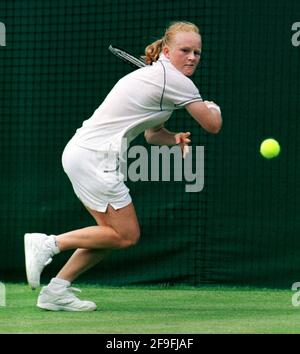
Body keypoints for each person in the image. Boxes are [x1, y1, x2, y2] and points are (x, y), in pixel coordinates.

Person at [24, 21, 222, 312]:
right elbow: (212, 124)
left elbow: (153, 135)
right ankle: (49, 244)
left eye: (197, 52)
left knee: (110, 234)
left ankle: (55, 291)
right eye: (185, 50)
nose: (192, 57)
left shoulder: (161, 78)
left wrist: (174, 137)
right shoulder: (177, 82)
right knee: (126, 235)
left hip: (83, 153)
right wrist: (213, 107)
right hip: (95, 158)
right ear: (167, 51)